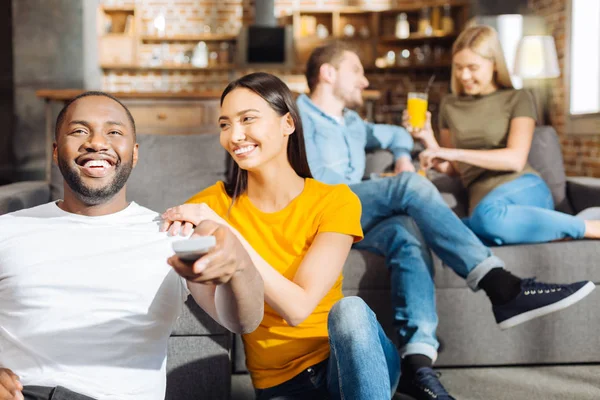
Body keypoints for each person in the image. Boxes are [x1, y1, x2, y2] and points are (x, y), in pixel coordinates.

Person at [296, 41, 596, 400]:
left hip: (352, 220)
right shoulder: (295, 117)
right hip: (319, 210)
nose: (364, 82)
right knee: (408, 188)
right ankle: (500, 285)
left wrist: (405, 155)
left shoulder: (356, 124)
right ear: (329, 73)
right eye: (357, 71)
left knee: (407, 232)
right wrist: (401, 177)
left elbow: (396, 135)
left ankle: (417, 365)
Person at [0, 91, 264, 400]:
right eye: (79, 131)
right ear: (56, 152)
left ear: (135, 154)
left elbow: (243, 321)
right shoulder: (8, 229)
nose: (97, 142)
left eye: (113, 132)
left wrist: (238, 264)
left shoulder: (171, 236)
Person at [161, 72, 402, 399]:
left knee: (351, 311)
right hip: (281, 384)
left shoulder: (335, 201)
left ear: (287, 123)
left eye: (248, 119)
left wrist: (229, 233)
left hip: (349, 362)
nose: (235, 135)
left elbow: (299, 307)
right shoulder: (208, 206)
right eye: (224, 124)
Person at [404, 25, 600, 245]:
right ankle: (551, 229)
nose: (464, 75)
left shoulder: (518, 98)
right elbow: (455, 169)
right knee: (442, 229)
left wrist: (452, 152)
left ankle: (588, 226)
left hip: (523, 187)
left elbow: (515, 160)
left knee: (487, 219)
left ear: (494, 64)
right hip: (483, 201)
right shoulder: (450, 105)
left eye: (472, 67)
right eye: (458, 67)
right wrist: (428, 139)